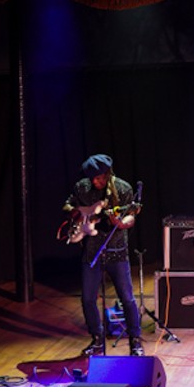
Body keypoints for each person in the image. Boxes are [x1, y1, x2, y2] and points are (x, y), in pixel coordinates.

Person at [64, 153, 144, 357]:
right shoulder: (82, 187)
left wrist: (122, 222)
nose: (96, 182)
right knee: (88, 298)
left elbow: (131, 216)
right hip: (92, 250)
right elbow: (68, 205)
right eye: (93, 178)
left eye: (100, 178)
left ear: (108, 174)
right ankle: (97, 339)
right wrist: (80, 212)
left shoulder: (124, 189)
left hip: (117, 251)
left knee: (126, 297)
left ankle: (135, 341)